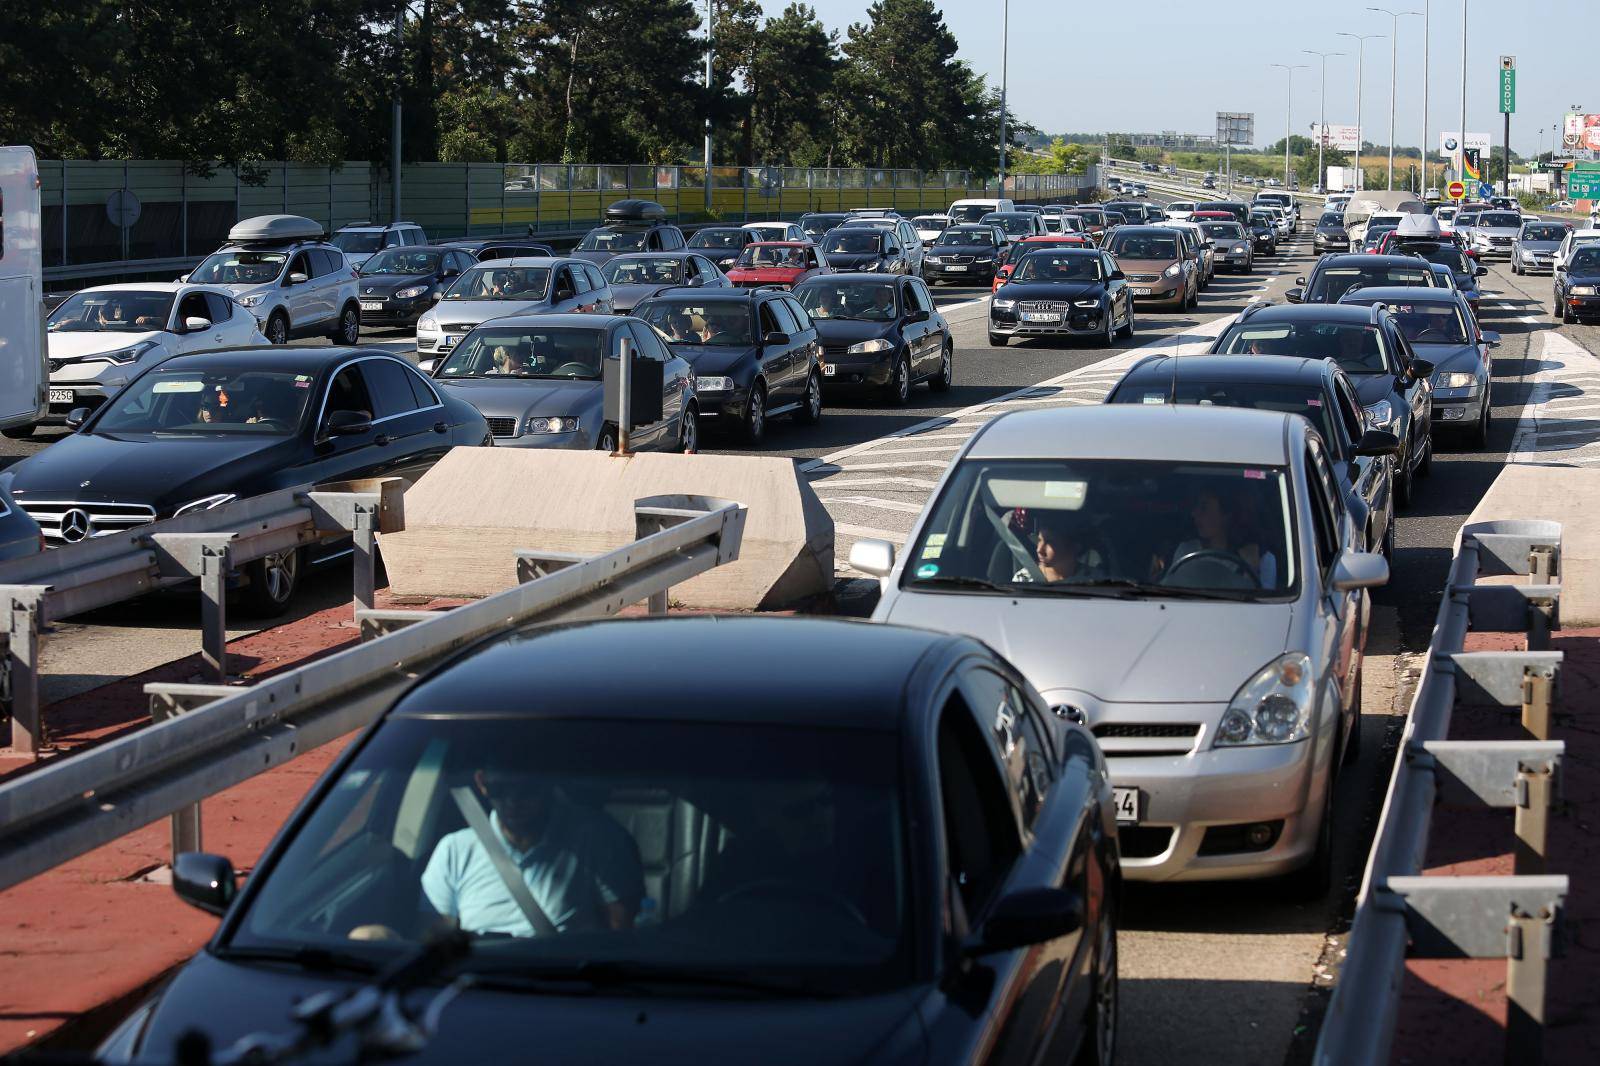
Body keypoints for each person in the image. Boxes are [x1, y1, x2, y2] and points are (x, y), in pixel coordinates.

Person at [416, 767, 644, 938]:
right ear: (482, 783)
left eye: (526, 789)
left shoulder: (597, 839)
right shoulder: (454, 850)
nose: (512, 801)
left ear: (547, 784)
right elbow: (435, 939)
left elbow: (619, 934)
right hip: (473, 983)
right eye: (500, 789)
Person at [1163, 486, 1277, 587]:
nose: (1194, 513)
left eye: (1204, 507)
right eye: (1196, 507)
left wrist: (1252, 570)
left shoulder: (1263, 559)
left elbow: (1262, 608)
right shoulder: (1186, 550)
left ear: (1226, 514)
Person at [1014, 513, 1104, 583]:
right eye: (1039, 540)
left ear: (1074, 547)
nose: (1039, 550)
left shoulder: (1094, 581)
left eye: (1049, 542)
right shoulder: (1023, 579)